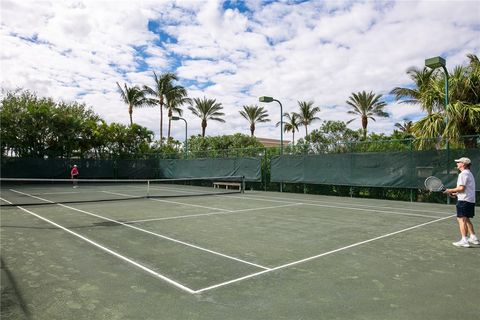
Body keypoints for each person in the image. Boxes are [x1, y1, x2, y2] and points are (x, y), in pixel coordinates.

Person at [445, 157, 478, 247]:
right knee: (466, 219)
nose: (457, 164)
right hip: (469, 200)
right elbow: (465, 189)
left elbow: (461, 188)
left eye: (458, 162)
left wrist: (449, 190)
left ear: (463, 164)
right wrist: (455, 193)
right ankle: (473, 237)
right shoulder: (469, 173)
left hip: (464, 201)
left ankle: (464, 240)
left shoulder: (463, 174)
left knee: (461, 219)